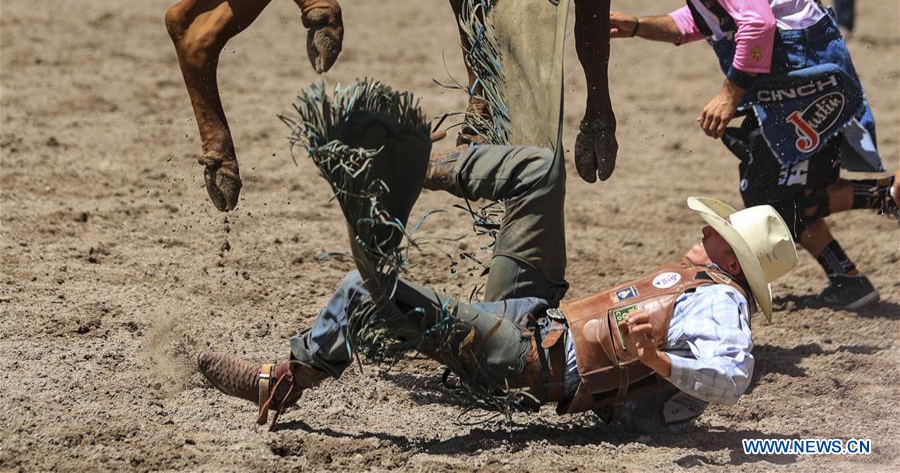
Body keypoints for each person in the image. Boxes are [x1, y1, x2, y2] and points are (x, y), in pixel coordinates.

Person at [197, 82, 799, 434]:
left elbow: (733, 377)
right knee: (541, 170)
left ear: (735, 263)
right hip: (535, 318)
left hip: (524, 360)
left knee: (366, 287)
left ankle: (279, 381)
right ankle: (419, 171)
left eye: (719, 232)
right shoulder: (704, 284)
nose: (704, 228)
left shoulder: (720, 301)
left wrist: (655, 357)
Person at [609, 0, 896, 310]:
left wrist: (730, 93)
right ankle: (856, 260)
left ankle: (876, 216)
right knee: (780, 186)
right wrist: (639, 26)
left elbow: (757, 23)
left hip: (800, 73)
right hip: (800, 72)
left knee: (767, 187)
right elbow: (702, 21)